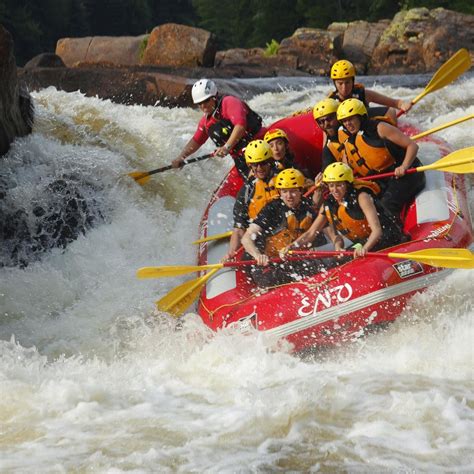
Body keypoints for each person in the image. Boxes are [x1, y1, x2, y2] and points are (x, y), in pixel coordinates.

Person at [290, 162, 404, 259]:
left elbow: (377, 231)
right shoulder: (329, 204)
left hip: (387, 238)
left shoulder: (361, 196)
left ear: (347, 184)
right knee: (338, 260)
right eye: (331, 186)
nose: (335, 190)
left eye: (339, 185)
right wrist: (291, 247)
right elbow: (311, 233)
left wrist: (364, 248)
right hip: (362, 243)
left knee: (351, 255)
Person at [336, 98, 425, 219]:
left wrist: (404, 166)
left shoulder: (380, 128)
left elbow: (412, 146)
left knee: (387, 204)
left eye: (351, 119)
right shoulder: (349, 141)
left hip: (407, 174)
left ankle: (398, 235)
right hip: (382, 181)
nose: (348, 124)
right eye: (344, 121)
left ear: (361, 117)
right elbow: (346, 169)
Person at [241, 168, 324, 287]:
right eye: (284, 191)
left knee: (317, 266)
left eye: (293, 191)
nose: (289, 196)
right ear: (280, 192)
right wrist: (258, 255)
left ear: (301, 191)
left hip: (295, 260)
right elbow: (246, 238)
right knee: (267, 280)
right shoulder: (272, 209)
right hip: (271, 262)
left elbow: (321, 234)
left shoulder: (308, 207)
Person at [171, 79, 265, 177]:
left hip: (259, 147)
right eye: (200, 103)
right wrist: (181, 157)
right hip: (241, 158)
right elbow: (196, 141)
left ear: (214, 97)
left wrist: (226, 147)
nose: (203, 106)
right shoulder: (206, 122)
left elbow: (240, 126)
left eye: (206, 101)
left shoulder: (229, 102)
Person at [223, 139, 280, 261]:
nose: (259, 168)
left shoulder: (284, 180)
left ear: (270, 161)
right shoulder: (247, 191)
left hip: (287, 238)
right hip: (261, 242)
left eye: (263, 163)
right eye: (255, 164)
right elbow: (239, 228)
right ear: (250, 165)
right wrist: (231, 253)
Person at [328, 59, 413, 124]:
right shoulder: (331, 102)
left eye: (347, 82)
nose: (344, 87)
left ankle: (393, 140)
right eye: (340, 83)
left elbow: (395, 103)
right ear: (335, 84)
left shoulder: (363, 94)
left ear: (353, 81)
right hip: (349, 135)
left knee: (390, 112)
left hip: (369, 131)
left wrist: (403, 104)